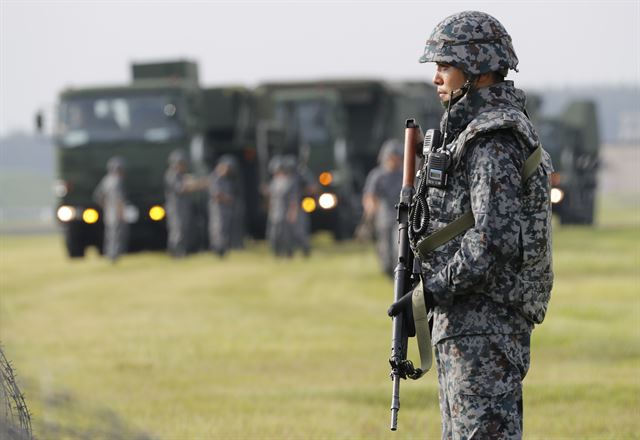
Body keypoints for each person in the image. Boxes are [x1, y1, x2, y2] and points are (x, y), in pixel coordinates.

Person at [389, 11, 554, 439]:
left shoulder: (494, 139)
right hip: (468, 320)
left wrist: (431, 292)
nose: (436, 77)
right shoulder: (472, 132)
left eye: (445, 65)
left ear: (476, 69)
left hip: (486, 324)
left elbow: (490, 240)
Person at [361, 139, 404, 277]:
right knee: (385, 249)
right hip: (384, 216)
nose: (395, 161)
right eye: (392, 157)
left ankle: (397, 273)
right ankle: (387, 271)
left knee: (398, 247)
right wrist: (370, 213)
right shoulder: (378, 175)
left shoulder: (404, 174)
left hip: (401, 217)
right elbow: (370, 195)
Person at [164, 149, 203, 257]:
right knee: (177, 229)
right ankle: (175, 252)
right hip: (175, 208)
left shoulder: (182, 175)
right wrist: (195, 185)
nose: (183, 166)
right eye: (181, 163)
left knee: (184, 229)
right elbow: (180, 189)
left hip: (183, 207)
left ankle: (182, 251)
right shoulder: (171, 174)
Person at [93, 156, 128, 262]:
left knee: (109, 234)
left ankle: (109, 254)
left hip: (108, 212)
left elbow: (97, 196)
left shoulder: (106, 180)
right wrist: (121, 212)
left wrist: (105, 206)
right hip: (116, 212)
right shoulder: (117, 181)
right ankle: (114, 256)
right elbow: (119, 199)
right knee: (116, 235)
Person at [266, 155, 299, 257]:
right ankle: (277, 253)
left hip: (286, 211)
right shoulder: (274, 182)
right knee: (274, 234)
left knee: (286, 234)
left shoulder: (290, 182)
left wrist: (292, 212)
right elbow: (271, 197)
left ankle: (289, 253)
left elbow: (293, 199)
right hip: (275, 211)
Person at [207, 155, 236, 257]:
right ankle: (218, 250)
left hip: (225, 210)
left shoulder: (225, 179)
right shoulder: (215, 178)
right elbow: (217, 195)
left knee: (224, 230)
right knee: (218, 229)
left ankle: (223, 250)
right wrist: (228, 199)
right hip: (218, 209)